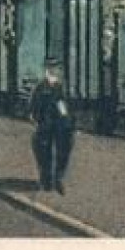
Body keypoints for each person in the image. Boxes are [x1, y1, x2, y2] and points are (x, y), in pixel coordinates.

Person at [28, 63, 75, 193]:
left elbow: (62, 105)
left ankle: (58, 179)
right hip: (44, 125)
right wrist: (37, 120)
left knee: (63, 151)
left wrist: (66, 119)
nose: (54, 72)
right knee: (43, 153)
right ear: (47, 71)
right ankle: (46, 179)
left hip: (58, 125)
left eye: (56, 69)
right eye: (51, 69)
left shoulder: (59, 88)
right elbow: (33, 107)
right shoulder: (40, 87)